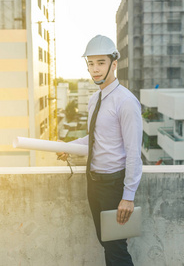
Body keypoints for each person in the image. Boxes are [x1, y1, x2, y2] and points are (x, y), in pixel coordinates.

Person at [57, 35, 142, 266]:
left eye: (100, 63)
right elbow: (94, 139)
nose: (94, 69)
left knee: (116, 250)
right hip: (93, 183)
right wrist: (68, 148)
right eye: (91, 63)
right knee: (106, 242)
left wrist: (128, 196)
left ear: (114, 64)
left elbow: (134, 152)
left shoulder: (126, 101)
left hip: (114, 185)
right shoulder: (95, 99)